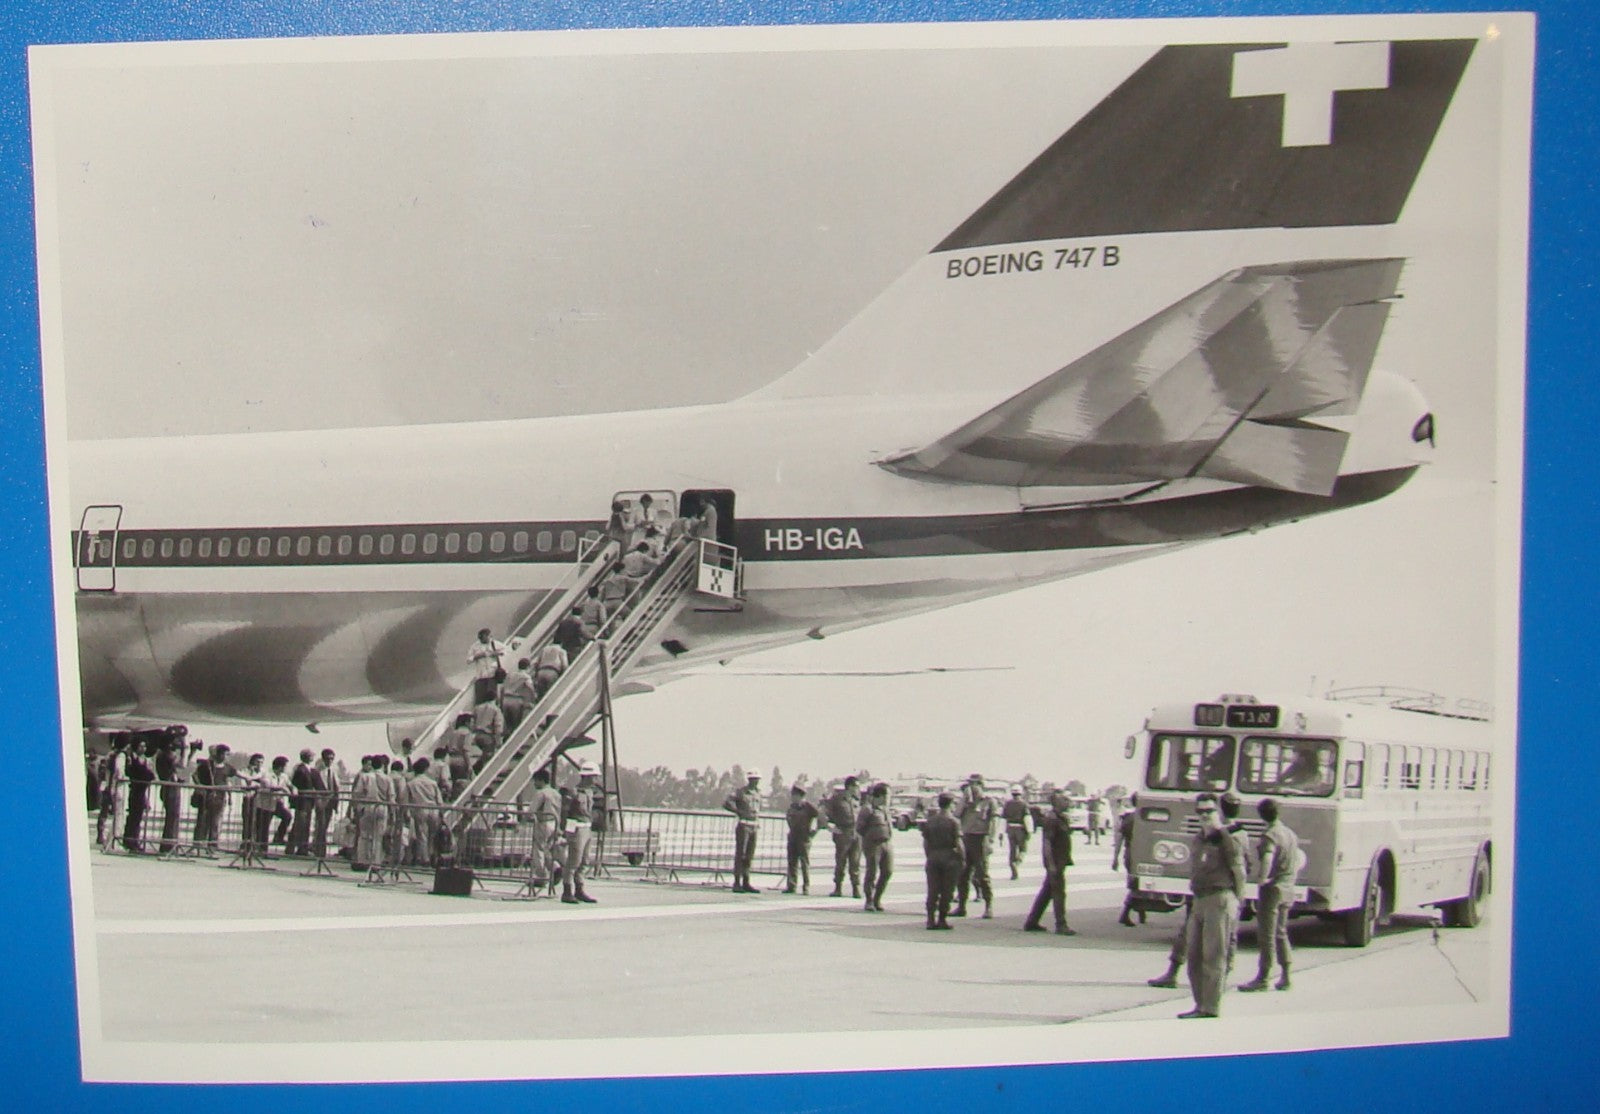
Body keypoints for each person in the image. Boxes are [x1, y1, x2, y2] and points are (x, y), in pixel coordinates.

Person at [1178, 792, 1246, 1019]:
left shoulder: (1227, 838)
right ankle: (1199, 1005)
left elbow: (1239, 872)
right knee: (1194, 956)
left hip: (1220, 898)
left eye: (1209, 810)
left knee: (1213, 956)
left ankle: (1211, 1007)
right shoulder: (1199, 838)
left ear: (1218, 811)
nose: (1204, 815)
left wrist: (1238, 901)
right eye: (1200, 811)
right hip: (1199, 899)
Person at [1240, 798, 1301, 993]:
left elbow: (1267, 857)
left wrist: (1262, 878)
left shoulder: (1270, 835)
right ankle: (1286, 975)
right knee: (1281, 932)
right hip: (1287, 886)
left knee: (1266, 934)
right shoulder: (1290, 834)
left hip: (1273, 888)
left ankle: (1263, 977)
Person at [1022, 790, 1078, 935]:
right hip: (1055, 862)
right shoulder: (1052, 819)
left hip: (1061, 861)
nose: (1067, 802)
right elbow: (1046, 842)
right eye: (1064, 800)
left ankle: (1032, 921)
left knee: (1047, 892)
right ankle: (1061, 924)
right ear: (1057, 803)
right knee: (1059, 893)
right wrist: (1050, 864)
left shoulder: (1062, 818)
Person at [560, 761, 605, 904]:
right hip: (577, 828)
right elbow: (565, 813)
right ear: (586, 776)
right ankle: (567, 891)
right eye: (594, 777)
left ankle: (579, 890)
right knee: (574, 861)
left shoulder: (590, 792)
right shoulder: (573, 792)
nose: (596, 780)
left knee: (585, 861)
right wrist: (564, 832)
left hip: (587, 827)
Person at [955, 774, 997, 919]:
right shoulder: (965, 801)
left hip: (981, 839)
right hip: (966, 838)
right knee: (963, 874)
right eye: (970, 784)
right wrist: (965, 801)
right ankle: (961, 907)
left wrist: (991, 841)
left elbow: (993, 822)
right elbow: (956, 815)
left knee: (982, 875)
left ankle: (988, 906)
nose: (972, 787)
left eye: (975, 784)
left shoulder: (989, 801)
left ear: (981, 785)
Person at [921, 792, 965, 929]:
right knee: (947, 890)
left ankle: (930, 919)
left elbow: (926, 842)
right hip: (949, 857)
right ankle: (942, 919)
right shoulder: (954, 822)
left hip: (933, 856)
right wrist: (963, 859)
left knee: (933, 889)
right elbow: (959, 843)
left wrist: (929, 855)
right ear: (950, 804)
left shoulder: (931, 821)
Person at [722, 770, 764, 894]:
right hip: (744, 824)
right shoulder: (741, 792)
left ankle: (746, 882)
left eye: (757, 779)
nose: (755, 781)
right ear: (749, 780)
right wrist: (738, 811)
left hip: (754, 826)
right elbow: (726, 803)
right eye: (753, 779)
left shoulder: (758, 793)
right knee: (741, 855)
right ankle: (737, 883)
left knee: (749, 856)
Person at [856, 783, 895, 912]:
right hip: (873, 844)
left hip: (886, 843)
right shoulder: (868, 809)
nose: (889, 798)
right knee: (871, 872)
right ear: (882, 795)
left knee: (888, 871)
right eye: (888, 795)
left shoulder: (885, 810)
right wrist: (870, 838)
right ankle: (869, 900)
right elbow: (860, 828)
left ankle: (877, 898)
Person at [190, 743, 233, 856]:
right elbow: (194, 775)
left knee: (215, 823)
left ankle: (212, 847)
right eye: (225, 754)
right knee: (202, 821)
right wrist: (200, 787)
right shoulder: (207, 765)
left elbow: (228, 781)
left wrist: (230, 796)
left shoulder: (227, 767)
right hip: (205, 798)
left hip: (219, 799)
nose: (227, 756)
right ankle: (197, 845)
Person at [823, 778, 862, 898]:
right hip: (843, 833)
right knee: (841, 861)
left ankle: (856, 889)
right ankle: (838, 888)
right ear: (849, 786)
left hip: (856, 833)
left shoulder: (856, 800)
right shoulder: (837, 799)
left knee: (855, 862)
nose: (857, 789)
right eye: (856, 786)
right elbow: (824, 813)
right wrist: (829, 827)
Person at [526, 766, 563, 887]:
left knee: (538, 850)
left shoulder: (541, 793)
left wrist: (525, 819)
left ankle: (541, 876)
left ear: (541, 780)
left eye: (536, 781)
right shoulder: (556, 794)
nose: (534, 784)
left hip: (543, 823)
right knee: (547, 849)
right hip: (554, 823)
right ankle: (556, 868)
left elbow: (532, 810)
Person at [1115, 793, 1147, 927]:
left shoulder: (1128, 818)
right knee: (1137, 885)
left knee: (1136, 883)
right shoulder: (1143, 818)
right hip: (1140, 853)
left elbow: (1119, 839)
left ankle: (1141, 912)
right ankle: (1126, 913)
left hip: (1129, 853)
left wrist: (1115, 858)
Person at [783, 784, 821, 894]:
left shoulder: (809, 807)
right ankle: (791, 886)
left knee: (804, 863)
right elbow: (788, 818)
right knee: (792, 863)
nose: (792, 797)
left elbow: (820, 817)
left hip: (804, 839)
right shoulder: (792, 807)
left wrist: (815, 830)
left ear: (800, 795)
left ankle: (806, 886)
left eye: (794, 795)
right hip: (793, 837)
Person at [121, 739, 156, 853]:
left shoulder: (146, 760)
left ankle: (135, 840)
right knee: (133, 817)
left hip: (142, 791)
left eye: (144, 746)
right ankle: (129, 840)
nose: (143, 748)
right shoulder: (132, 759)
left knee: (138, 817)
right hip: (135, 790)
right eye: (141, 746)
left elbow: (151, 774)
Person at [287, 748, 317, 856]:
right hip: (302, 801)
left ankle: (300, 847)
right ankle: (295, 847)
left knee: (303, 825)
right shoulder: (301, 770)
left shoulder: (308, 769)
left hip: (307, 802)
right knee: (300, 824)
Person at [311, 748, 340, 859]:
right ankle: (319, 849)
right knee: (321, 825)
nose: (330, 761)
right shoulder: (317, 771)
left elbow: (336, 787)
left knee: (325, 826)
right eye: (328, 759)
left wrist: (336, 803)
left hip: (330, 803)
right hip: (321, 802)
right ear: (323, 759)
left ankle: (318, 847)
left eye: (332, 759)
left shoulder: (333, 770)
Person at [468, 627, 507, 705]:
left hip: (492, 675)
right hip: (481, 676)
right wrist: (477, 656)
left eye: (487, 637)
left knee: (493, 696)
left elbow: (505, 651)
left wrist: (496, 653)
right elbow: (469, 660)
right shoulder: (475, 646)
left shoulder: (495, 644)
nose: (486, 640)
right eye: (483, 638)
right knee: (480, 699)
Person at [1002, 785, 1031, 880]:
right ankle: (1017, 862)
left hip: (1010, 828)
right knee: (1023, 849)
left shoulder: (1007, 804)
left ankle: (1012, 865)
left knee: (1012, 850)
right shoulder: (1023, 804)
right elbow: (1027, 818)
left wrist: (1002, 832)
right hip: (1020, 829)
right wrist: (1029, 831)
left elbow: (1003, 819)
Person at [471, 699, 505, 772]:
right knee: (488, 757)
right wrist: (499, 742)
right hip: (488, 737)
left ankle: (477, 767)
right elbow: (498, 726)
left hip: (477, 735)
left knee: (482, 755)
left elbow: (472, 722)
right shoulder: (496, 710)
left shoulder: (477, 708)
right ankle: (482, 770)